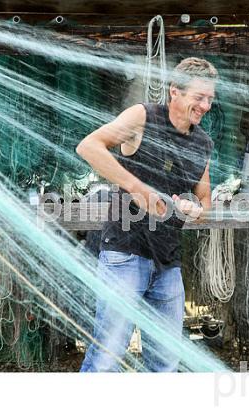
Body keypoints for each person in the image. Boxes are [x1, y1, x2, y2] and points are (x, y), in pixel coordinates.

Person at [76, 57, 217, 372]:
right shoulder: (142, 117)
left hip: (168, 262)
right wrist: (138, 189)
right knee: (107, 359)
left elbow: (204, 197)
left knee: (165, 363)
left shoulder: (203, 143)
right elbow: (88, 147)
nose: (205, 105)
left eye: (210, 98)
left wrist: (197, 209)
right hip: (125, 255)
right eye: (199, 97)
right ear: (174, 92)